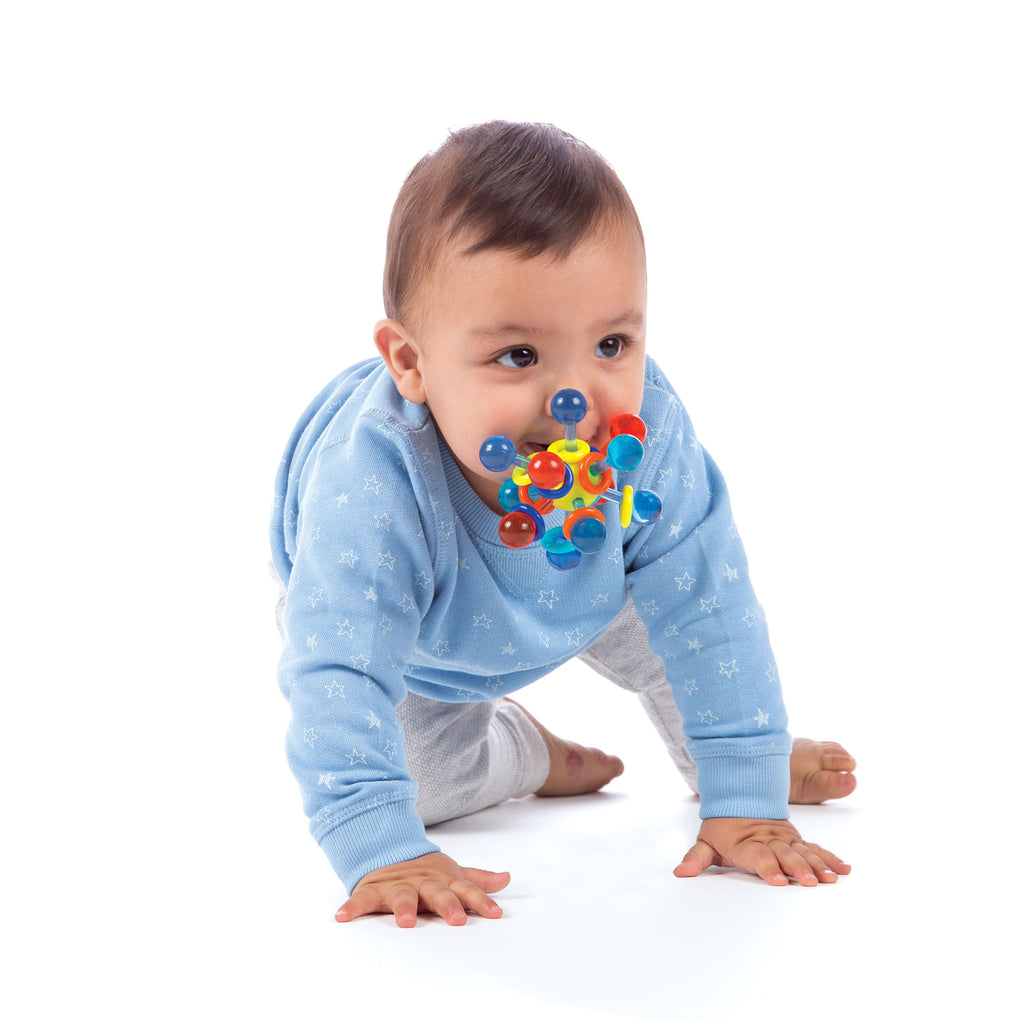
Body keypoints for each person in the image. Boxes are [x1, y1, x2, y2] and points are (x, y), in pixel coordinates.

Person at [270, 121, 856, 928]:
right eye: (518, 356)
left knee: (690, 661)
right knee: (427, 785)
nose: (575, 400)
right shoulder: (370, 487)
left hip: (593, 568)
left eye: (612, 342)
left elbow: (709, 611)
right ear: (409, 364)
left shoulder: (643, 437)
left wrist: (746, 800)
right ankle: (526, 751)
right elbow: (337, 671)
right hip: (423, 627)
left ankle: (738, 764)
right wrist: (384, 850)